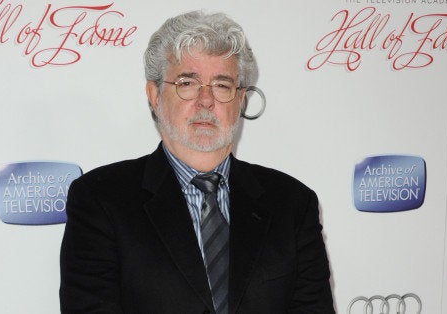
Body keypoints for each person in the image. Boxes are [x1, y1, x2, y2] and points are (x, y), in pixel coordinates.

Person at [60, 10, 335, 314]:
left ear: (240, 99)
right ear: (155, 95)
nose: (206, 101)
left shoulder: (294, 205)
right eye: (187, 83)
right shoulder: (100, 200)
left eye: (221, 85)